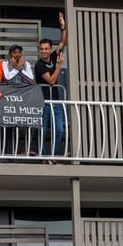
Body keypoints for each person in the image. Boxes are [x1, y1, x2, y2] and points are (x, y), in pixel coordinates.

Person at [35, 12, 68, 158]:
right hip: (44, 103)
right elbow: (51, 81)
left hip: (56, 102)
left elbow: (63, 42)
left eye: (46, 48)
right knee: (42, 129)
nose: (44, 51)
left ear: (50, 49)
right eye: (41, 49)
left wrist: (63, 27)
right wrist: (59, 66)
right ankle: (43, 157)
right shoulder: (39, 65)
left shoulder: (54, 57)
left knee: (59, 130)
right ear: (39, 50)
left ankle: (53, 157)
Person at [2, 45, 35, 155]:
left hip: (24, 100)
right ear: (10, 54)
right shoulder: (5, 64)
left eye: (19, 52)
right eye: (15, 52)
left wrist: (19, 67)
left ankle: (26, 149)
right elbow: (7, 78)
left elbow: (31, 80)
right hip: (9, 100)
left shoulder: (27, 64)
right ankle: (9, 153)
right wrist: (17, 68)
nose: (17, 55)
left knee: (27, 125)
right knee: (10, 126)